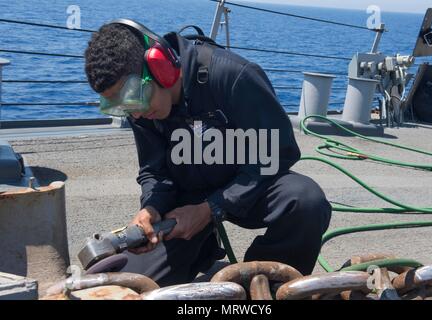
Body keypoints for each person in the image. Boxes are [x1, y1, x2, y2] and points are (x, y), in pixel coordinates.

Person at [84, 19, 332, 287]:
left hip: (249, 186)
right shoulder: (139, 106)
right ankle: (199, 250)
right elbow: (153, 170)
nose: (137, 113)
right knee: (129, 287)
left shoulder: (233, 75)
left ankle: (260, 288)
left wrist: (212, 208)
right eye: (124, 107)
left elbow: (277, 152)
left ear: (160, 66)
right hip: (186, 198)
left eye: (137, 99)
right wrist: (152, 206)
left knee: (306, 201)